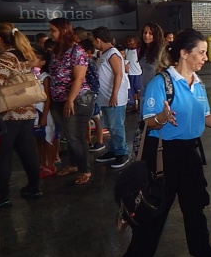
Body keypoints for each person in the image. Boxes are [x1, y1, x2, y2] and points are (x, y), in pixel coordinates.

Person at [118, 29, 211, 257]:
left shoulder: (198, 83)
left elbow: (205, 115)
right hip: (163, 153)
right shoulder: (161, 83)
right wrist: (162, 117)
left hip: (189, 152)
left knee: (195, 207)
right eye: (201, 53)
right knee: (157, 208)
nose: (205, 58)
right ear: (184, 53)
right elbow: (149, 121)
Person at [0, 23, 41, 208]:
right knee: (28, 152)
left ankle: (1, 196)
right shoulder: (24, 54)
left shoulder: (6, 56)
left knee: (2, 155)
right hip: (27, 110)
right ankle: (34, 188)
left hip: (9, 113)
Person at [48, 18, 95, 185]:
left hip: (77, 99)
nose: (51, 34)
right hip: (59, 99)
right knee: (69, 136)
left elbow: (79, 78)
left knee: (76, 137)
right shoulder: (57, 50)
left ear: (63, 31)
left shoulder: (77, 51)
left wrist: (70, 101)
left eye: (53, 30)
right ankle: (75, 165)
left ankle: (85, 170)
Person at [92, 27, 130, 169]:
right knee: (110, 126)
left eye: (93, 41)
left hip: (114, 98)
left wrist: (114, 94)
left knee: (116, 126)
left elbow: (119, 74)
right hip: (105, 98)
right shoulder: (104, 54)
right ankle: (113, 150)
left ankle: (122, 152)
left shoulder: (113, 54)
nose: (93, 44)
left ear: (98, 40)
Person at [32, 47, 59, 178]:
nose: (30, 60)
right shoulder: (30, 75)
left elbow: (48, 98)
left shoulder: (45, 77)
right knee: (39, 139)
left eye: (34, 58)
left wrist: (44, 116)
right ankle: (43, 163)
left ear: (43, 62)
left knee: (48, 139)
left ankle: (51, 164)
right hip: (34, 112)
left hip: (44, 112)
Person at [139, 22, 165, 93]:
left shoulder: (161, 51)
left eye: (150, 33)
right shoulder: (144, 50)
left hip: (156, 88)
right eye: (145, 33)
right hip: (144, 86)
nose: (146, 35)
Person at [125, 35, 142, 112]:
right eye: (128, 42)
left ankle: (140, 107)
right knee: (132, 91)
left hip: (137, 74)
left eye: (131, 42)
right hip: (129, 75)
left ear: (136, 42)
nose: (129, 43)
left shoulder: (139, 51)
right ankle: (134, 106)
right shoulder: (127, 51)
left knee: (139, 91)